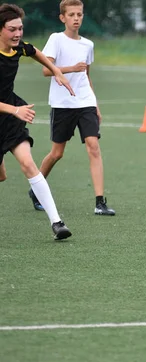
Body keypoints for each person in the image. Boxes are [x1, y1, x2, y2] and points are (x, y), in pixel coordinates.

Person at [28, 0, 115, 216]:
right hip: (62, 104)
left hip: (85, 102)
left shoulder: (88, 44)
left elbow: (87, 76)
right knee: (57, 153)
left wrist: (96, 104)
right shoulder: (56, 39)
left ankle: (99, 202)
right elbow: (47, 71)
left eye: (80, 14)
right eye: (72, 14)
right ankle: (35, 189)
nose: (76, 18)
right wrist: (71, 68)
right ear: (62, 17)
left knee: (93, 147)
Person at [0, 3, 75, 240]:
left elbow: (34, 51)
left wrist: (56, 71)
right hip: (11, 110)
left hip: (11, 116)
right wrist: (15, 110)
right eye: (12, 29)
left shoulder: (18, 48)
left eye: (20, 28)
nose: (18, 34)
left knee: (28, 164)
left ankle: (57, 223)